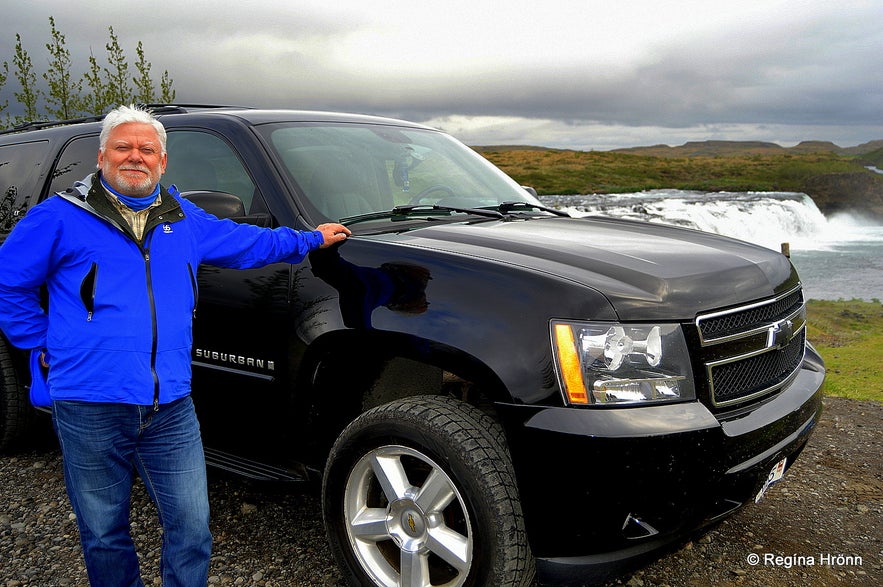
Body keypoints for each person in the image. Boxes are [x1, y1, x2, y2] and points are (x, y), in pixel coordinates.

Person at [0, 105, 350, 586]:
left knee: (191, 528)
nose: (135, 157)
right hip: (89, 401)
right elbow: (8, 283)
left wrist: (308, 239)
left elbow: (247, 242)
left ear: (163, 163)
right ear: (102, 156)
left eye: (148, 149)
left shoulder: (182, 217)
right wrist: (38, 342)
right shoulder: (57, 218)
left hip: (170, 405)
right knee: (104, 531)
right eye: (123, 147)